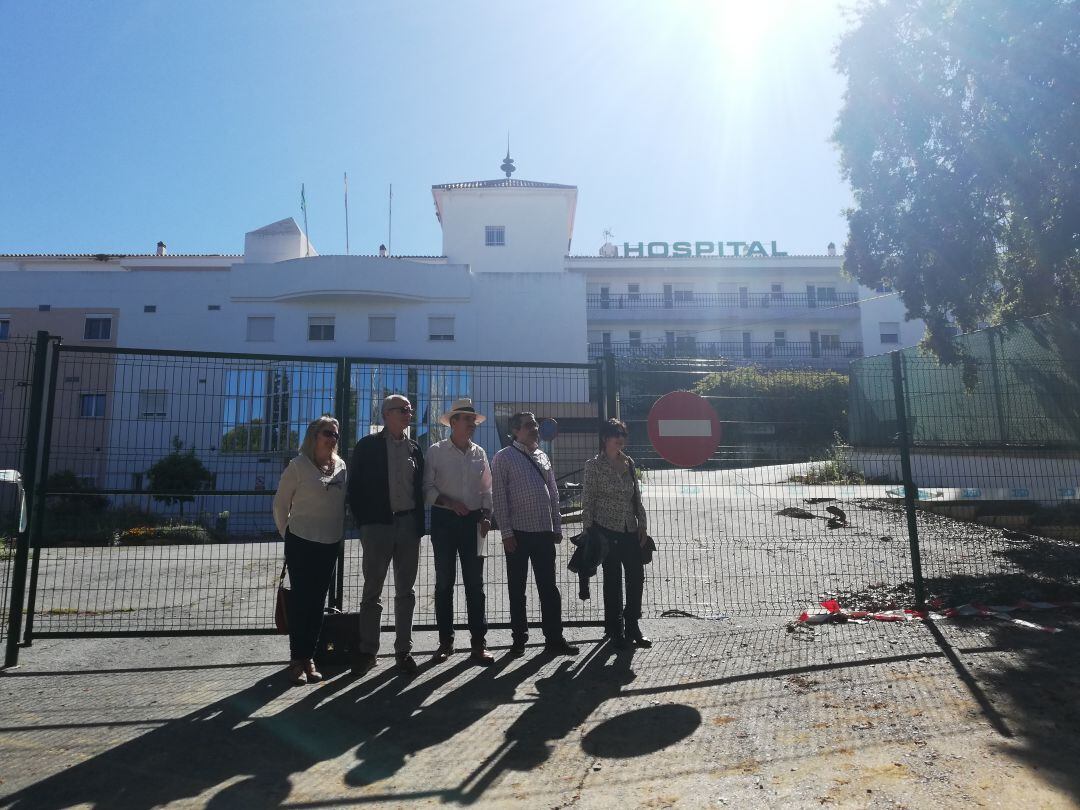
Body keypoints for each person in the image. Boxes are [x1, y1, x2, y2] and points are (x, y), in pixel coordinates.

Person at [347, 394, 425, 676]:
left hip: (407, 526)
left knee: (406, 591)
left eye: (410, 409)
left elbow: (420, 488)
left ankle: (403, 650)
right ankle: (368, 650)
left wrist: (417, 526)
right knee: (372, 591)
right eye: (402, 410)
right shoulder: (367, 446)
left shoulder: (415, 448)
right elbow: (353, 487)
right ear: (386, 415)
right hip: (377, 527)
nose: (408, 413)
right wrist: (364, 524)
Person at [491, 411, 579, 657]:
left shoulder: (542, 455)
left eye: (536, 425)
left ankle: (554, 638)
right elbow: (499, 497)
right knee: (517, 589)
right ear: (515, 431)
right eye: (529, 425)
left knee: (549, 588)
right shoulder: (503, 457)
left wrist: (557, 526)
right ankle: (519, 639)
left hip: (543, 534)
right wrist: (506, 533)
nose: (535, 428)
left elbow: (553, 493)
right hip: (517, 534)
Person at [273, 415, 347, 685]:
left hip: (328, 543)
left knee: (317, 604)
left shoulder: (340, 466)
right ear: (314, 435)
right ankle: (297, 659)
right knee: (301, 602)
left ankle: (310, 658)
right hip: (301, 541)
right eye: (327, 433)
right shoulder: (298, 466)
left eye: (336, 435)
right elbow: (280, 505)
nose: (332, 439)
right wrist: (288, 535)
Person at [423, 398, 495, 666]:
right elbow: (427, 489)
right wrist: (450, 503)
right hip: (444, 521)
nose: (471, 424)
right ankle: (446, 642)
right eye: (466, 419)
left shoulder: (480, 453)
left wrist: (487, 516)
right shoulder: (436, 451)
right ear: (452, 423)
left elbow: (487, 490)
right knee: (444, 582)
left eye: (473, 420)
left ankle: (479, 644)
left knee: (475, 584)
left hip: (475, 524)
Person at [582, 418, 652, 649]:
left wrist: (641, 524)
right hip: (605, 530)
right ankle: (614, 629)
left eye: (622, 434)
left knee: (636, 578)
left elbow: (636, 498)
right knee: (612, 582)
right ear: (604, 438)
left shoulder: (629, 463)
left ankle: (632, 625)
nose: (620, 438)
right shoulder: (593, 465)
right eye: (615, 434)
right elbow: (588, 501)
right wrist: (588, 532)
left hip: (629, 530)